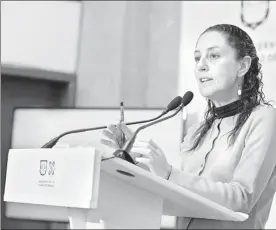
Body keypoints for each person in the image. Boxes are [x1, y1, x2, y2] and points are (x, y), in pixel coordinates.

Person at [100, 24, 276, 229]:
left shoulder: (264, 118)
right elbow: (175, 194)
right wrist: (132, 159)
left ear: (243, 66)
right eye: (197, 58)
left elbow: (242, 198)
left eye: (214, 56)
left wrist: (169, 173)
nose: (201, 65)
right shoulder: (197, 131)